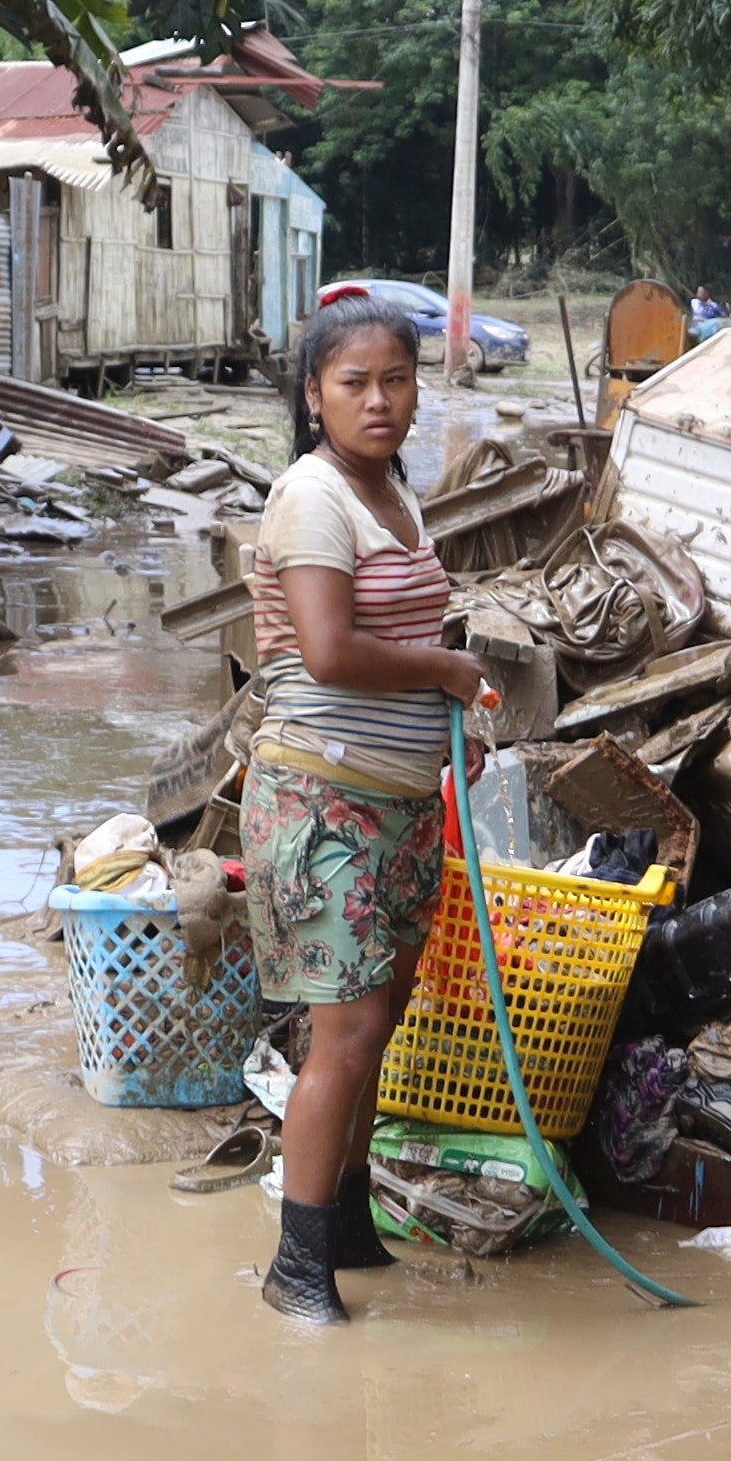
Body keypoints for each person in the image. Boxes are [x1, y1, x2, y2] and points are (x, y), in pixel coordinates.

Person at [240, 292, 497, 1322]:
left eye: (396, 379)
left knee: (374, 1027)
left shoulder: (395, 495)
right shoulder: (313, 498)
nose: (378, 400)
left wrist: (453, 732)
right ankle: (296, 1268)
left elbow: (397, 649)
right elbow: (330, 652)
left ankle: (348, 1221)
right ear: (314, 397)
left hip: (395, 804)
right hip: (320, 801)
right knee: (342, 1035)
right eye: (354, 384)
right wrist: (448, 668)